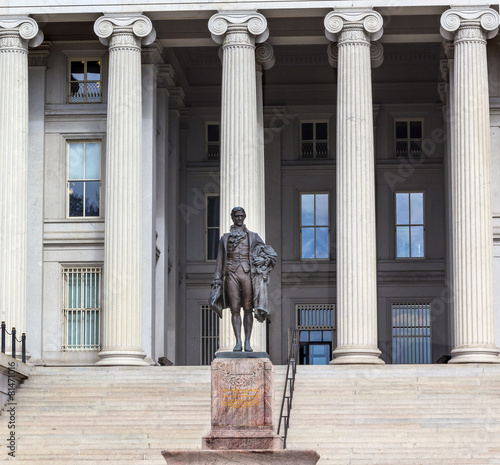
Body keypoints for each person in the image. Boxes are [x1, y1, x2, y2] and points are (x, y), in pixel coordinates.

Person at [209, 207, 276, 352]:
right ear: (232, 217)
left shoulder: (253, 236)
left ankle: (247, 342)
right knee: (234, 309)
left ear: (244, 217)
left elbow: (269, 253)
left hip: (247, 274)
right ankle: (238, 342)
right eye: (236, 216)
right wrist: (216, 279)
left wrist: (262, 261)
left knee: (247, 309)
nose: (239, 218)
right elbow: (219, 261)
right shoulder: (224, 238)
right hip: (231, 274)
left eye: (241, 216)